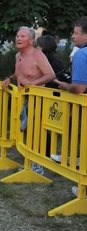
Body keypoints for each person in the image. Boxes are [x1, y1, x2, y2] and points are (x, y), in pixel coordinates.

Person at [1, 26, 55, 175]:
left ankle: (38, 166)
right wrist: (9, 78)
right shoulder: (18, 55)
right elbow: (19, 73)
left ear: (31, 40)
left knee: (35, 131)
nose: (18, 38)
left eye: (23, 36)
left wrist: (32, 84)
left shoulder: (37, 55)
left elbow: (50, 74)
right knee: (25, 130)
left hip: (37, 98)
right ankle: (29, 162)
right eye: (17, 36)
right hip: (22, 99)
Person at [54, 17, 87, 198]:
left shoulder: (82, 54)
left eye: (76, 33)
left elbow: (79, 87)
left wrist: (64, 86)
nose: (72, 37)